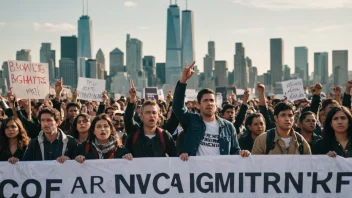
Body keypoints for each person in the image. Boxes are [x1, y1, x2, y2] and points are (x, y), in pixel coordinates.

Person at [172, 61, 251, 161]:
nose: (209, 103)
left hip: (220, 174)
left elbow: (234, 151)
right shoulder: (191, 121)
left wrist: (242, 153)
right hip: (196, 173)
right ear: (199, 104)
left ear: (216, 104)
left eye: (211, 100)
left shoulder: (228, 127)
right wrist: (183, 80)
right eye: (205, 100)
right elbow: (177, 107)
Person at [125, 80, 178, 158]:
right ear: (141, 116)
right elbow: (128, 119)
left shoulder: (165, 136)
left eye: (154, 112)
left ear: (158, 116)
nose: (151, 115)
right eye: (147, 112)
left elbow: (175, 157)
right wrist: (132, 99)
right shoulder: (134, 134)